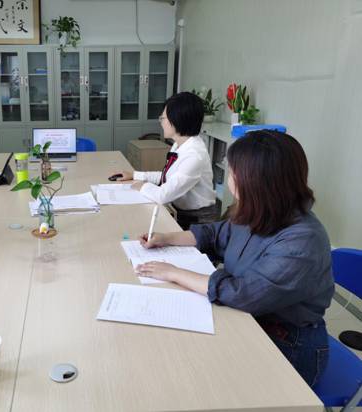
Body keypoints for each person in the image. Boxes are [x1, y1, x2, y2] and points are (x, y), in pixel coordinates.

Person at [135, 130, 334, 387]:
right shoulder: (259, 211)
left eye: (233, 173)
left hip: (286, 344)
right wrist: (166, 238)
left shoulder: (302, 241)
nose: (229, 180)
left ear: (257, 183)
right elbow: (215, 234)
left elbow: (243, 293)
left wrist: (173, 273)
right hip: (247, 320)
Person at [112, 92, 216, 229]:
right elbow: (167, 177)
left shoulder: (194, 156)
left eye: (163, 118)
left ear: (178, 119)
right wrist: (135, 175)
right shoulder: (180, 144)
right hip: (178, 211)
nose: (161, 122)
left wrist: (141, 186)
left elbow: (163, 195)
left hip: (196, 221)